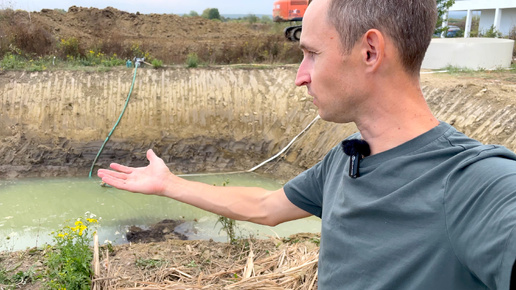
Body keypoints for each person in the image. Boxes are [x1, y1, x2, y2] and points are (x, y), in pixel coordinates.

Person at [98, 0, 516, 288]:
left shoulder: (477, 184)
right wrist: (169, 183)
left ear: (370, 51)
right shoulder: (348, 157)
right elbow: (266, 207)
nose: (301, 75)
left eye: (312, 54)